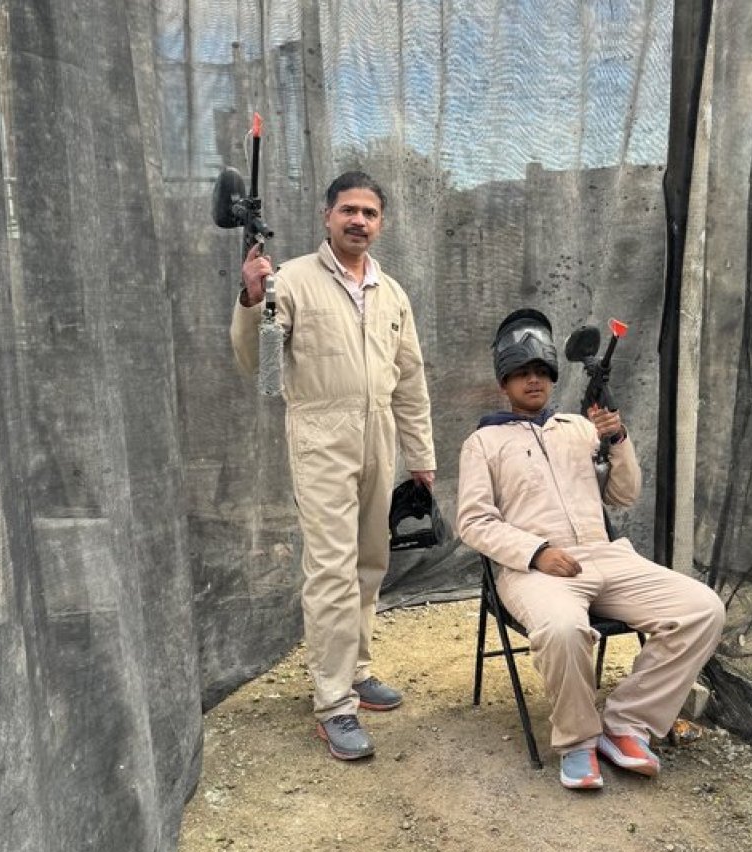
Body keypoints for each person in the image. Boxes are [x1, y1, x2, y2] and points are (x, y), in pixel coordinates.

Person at [456, 308, 724, 790]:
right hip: (534, 571)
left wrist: (616, 439)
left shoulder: (580, 428)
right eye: (521, 373)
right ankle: (578, 740)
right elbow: (474, 522)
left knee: (702, 609)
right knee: (562, 629)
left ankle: (626, 724)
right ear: (504, 382)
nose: (533, 380)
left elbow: (623, 495)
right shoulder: (483, 442)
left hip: (607, 556)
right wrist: (537, 552)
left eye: (541, 371)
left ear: (553, 376)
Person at [231, 171, 436, 761]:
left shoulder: (391, 293)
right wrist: (252, 299)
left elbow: (410, 379)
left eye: (369, 213)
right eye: (349, 210)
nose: (358, 221)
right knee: (331, 571)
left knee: (370, 561)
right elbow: (260, 368)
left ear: (381, 223)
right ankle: (333, 703)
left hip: (380, 437)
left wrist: (421, 456)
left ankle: (357, 670)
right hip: (321, 438)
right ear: (327, 216)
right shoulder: (291, 280)